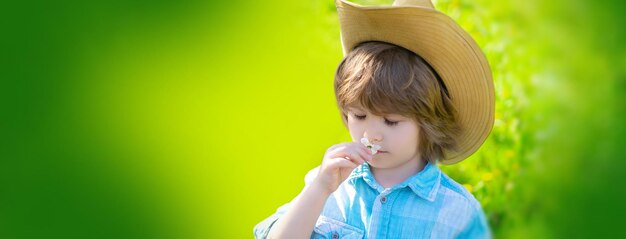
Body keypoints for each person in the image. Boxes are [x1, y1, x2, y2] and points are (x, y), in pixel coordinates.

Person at [254, 0, 495, 238]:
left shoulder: (457, 213)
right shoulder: (330, 185)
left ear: (428, 122)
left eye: (391, 121)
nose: (372, 135)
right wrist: (319, 189)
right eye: (359, 116)